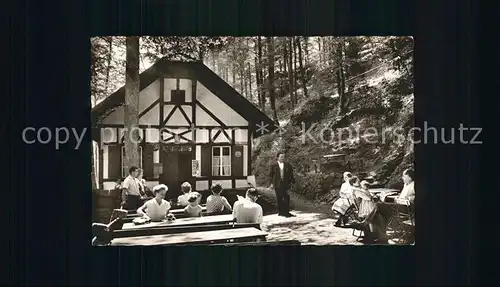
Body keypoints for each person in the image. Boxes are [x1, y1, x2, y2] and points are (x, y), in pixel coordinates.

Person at [349, 169, 415, 241]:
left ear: (410, 177)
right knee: (380, 213)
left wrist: (408, 199)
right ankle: (382, 236)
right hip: (399, 206)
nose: (402, 178)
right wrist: (398, 198)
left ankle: (364, 224)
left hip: (407, 209)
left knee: (379, 205)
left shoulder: (414, 185)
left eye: (404, 176)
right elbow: (402, 196)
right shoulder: (406, 184)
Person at [269, 151, 296, 217]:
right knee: (279, 198)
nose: (283, 158)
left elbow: (291, 174)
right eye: (281, 157)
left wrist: (293, 182)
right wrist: (271, 183)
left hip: (285, 184)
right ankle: (281, 212)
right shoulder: (273, 165)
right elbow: (270, 175)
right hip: (277, 184)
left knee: (287, 197)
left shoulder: (287, 165)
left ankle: (286, 212)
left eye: (284, 157)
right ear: (277, 157)